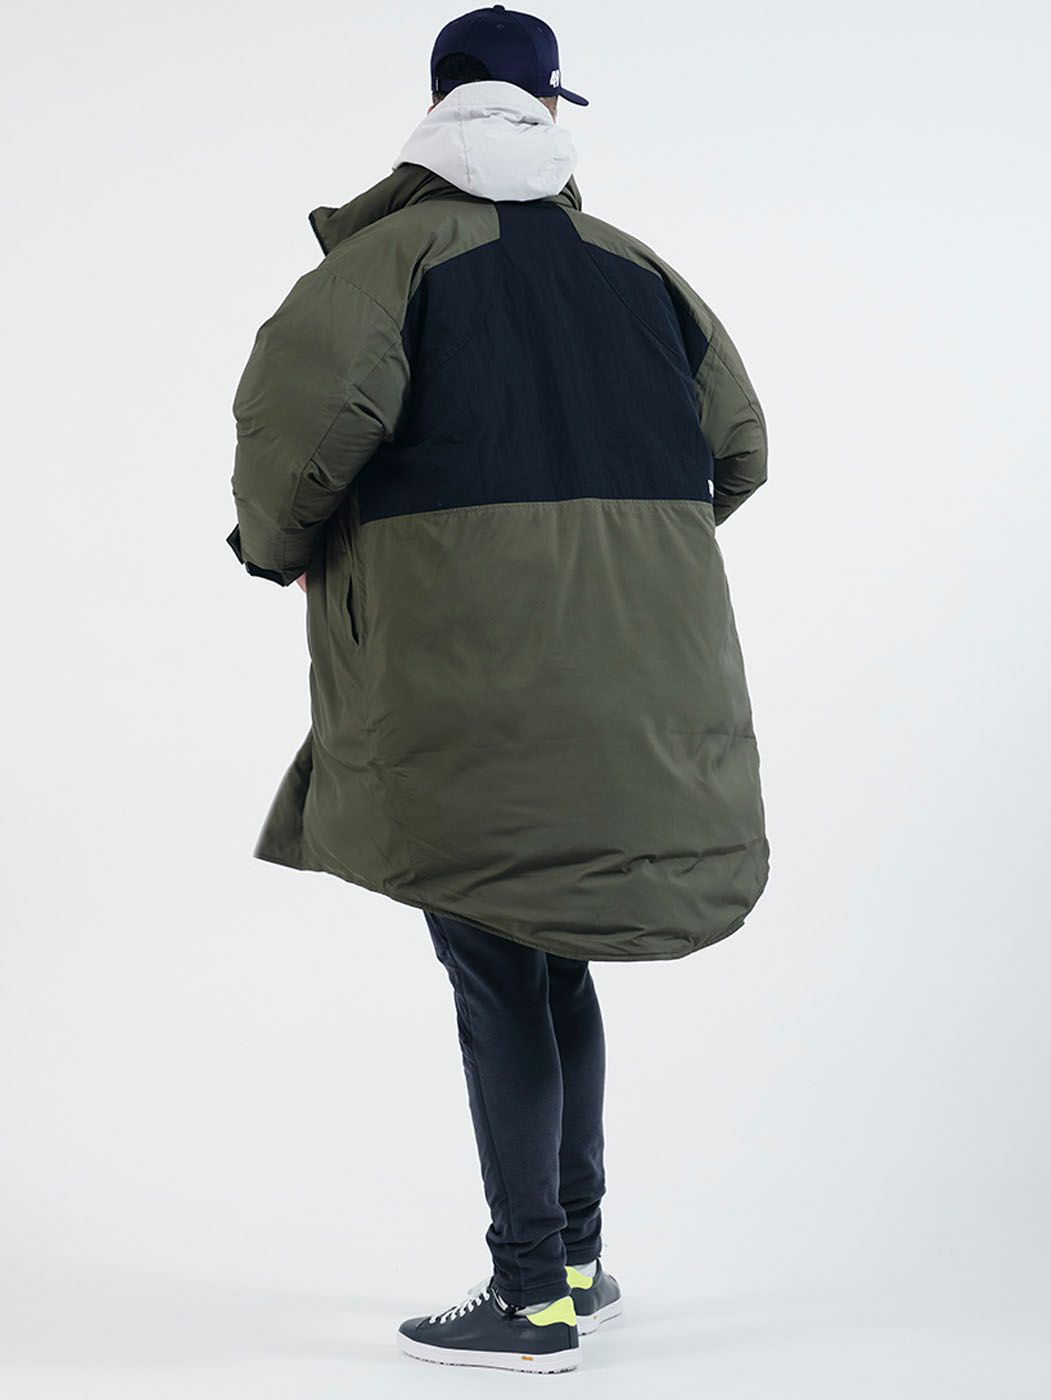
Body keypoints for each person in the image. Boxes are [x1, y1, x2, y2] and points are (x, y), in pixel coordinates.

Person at [225, 3, 769, 1375]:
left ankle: (530, 1300)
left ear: (435, 105)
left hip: (463, 684)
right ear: (551, 112)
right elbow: (741, 447)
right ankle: (577, 1258)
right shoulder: (638, 267)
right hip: (640, 681)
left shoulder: (386, 264)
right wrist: (625, 570)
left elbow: (295, 449)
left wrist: (276, 551)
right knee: (555, 953)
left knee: (493, 965)